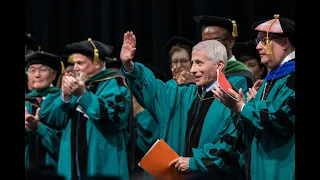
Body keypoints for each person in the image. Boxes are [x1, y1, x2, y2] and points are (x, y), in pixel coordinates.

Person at [120, 31, 246, 179]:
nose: (192, 69)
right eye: (192, 63)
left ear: (219, 65)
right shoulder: (182, 94)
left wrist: (194, 162)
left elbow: (230, 148)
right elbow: (153, 90)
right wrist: (129, 65)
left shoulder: (232, 102)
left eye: (199, 63)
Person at [212, 14, 295, 180]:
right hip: (259, 168)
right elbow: (250, 128)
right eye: (258, 41)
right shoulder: (268, 81)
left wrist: (242, 107)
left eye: (264, 41)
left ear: (285, 42)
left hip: (281, 169)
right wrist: (241, 108)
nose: (258, 47)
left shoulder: (292, 79)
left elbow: (278, 120)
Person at [39, 38, 133, 180]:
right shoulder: (74, 86)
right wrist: (65, 97)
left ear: (97, 62)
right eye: (74, 63)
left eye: (80, 63)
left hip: (102, 162)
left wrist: (83, 95)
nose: (75, 67)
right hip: (71, 165)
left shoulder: (115, 84)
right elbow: (51, 120)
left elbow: (112, 118)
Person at [193, 15, 254, 91]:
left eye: (215, 41)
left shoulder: (241, 76)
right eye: (204, 43)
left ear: (231, 42)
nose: (208, 47)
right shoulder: (199, 73)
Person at [25, 51, 62, 171]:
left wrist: (39, 128)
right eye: (32, 70)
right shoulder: (25, 102)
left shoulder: (63, 101)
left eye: (43, 70)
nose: (37, 75)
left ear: (54, 74)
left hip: (55, 165)